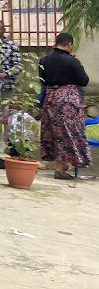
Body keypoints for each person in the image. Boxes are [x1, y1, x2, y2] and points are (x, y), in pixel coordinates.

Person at [39, 32, 91, 180]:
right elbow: (84, 81)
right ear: (69, 45)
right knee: (68, 132)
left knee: (55, 132)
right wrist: (79, 64)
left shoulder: (44, 60)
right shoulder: (72, 61)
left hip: (50, 99)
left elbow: (42, 80)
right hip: (67, 100)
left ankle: (61, 165)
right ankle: (60, 169)